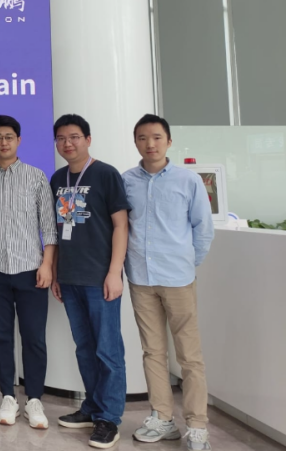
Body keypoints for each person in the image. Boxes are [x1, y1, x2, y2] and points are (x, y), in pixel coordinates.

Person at [123, 114, 215, 451]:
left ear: (169, 141)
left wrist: (186, 263)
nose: (150, 144)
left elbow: (203, 229)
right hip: (141, 278)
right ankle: (163, 418)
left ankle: (197, 425)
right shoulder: (126, 181)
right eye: (143, 138)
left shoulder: (188, 180)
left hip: (178, 278)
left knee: (189, 356)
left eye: (157, 137)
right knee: (153, 352)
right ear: (136, 142)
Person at [0, 115, 57, 429]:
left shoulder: (36, 177)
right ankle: (8, 395)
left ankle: (34, 400)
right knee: (0, 337)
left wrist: (47, 265)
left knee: (34, 338)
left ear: (18, 140)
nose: (3, 142)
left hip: (32, 270)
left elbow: (49, 227)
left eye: (9, 136)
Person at [49, 114, 130, 449]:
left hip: (100, 278)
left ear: (88, 139)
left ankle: (109, 418)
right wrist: (56, 273)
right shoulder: (58, 178)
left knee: (108, 350)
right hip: (70, 278)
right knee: (85, 348)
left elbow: (121, 226)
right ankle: (93, 407)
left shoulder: (106, 174)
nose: (68, 143)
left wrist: (114, 272)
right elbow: (56, 231)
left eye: (74, 137)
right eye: (61, 138)